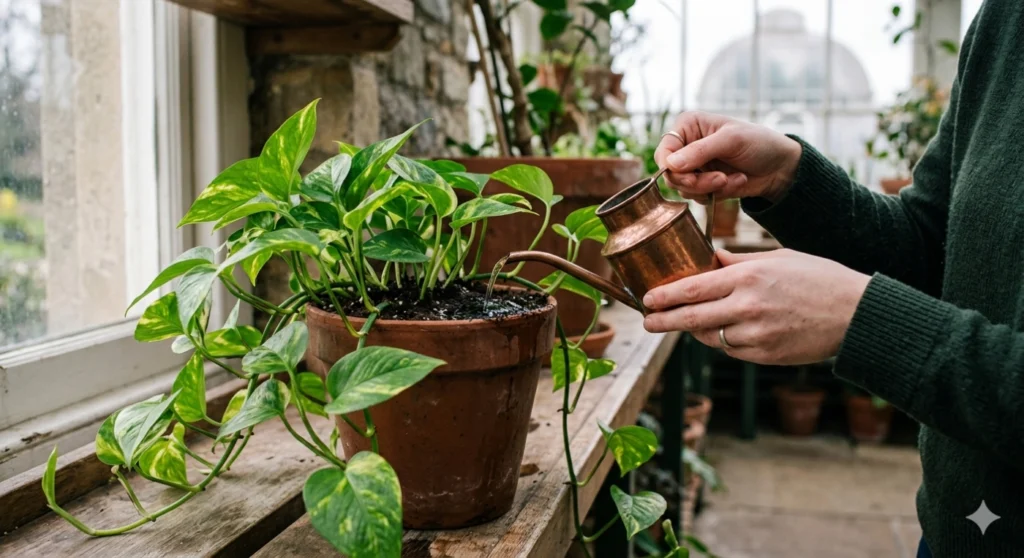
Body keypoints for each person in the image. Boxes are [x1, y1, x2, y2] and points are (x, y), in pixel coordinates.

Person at [645, 1, 1023, 556]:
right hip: (957, 530)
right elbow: (932, 244)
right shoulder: (1005, 20)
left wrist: (861, 320)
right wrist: (787, 177)